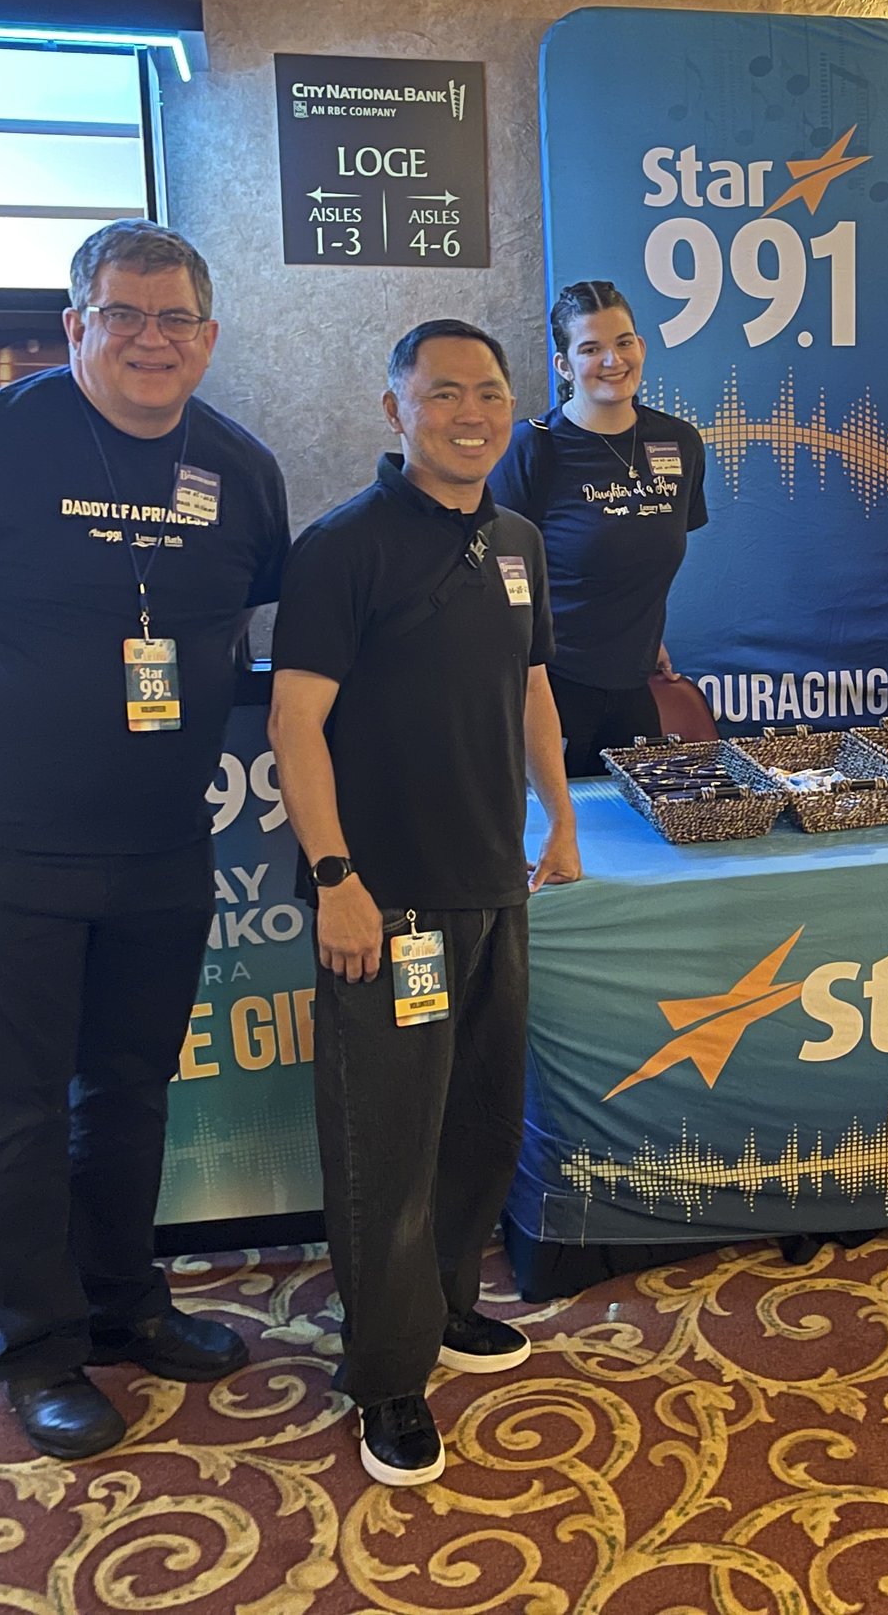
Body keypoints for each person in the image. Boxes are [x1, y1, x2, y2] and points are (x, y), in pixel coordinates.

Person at [0, 220, 290, 1460]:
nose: (150, 338)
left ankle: (125, 1302)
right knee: (20, 1102)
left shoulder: (239, 469)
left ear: (208, 336)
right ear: (75, 326)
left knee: (131, 1088)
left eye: (174, 317)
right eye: (122, 314)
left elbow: (237, 628)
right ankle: (38, 1348)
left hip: (159, 838)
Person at [267, 318, 582, 1492]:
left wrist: (558, 820)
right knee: (385, 1147)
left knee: (479, 1123)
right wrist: (335, 881)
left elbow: (532, 687)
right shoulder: (340, 548)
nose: (470, 413)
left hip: (493, 883)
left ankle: (446, 1304)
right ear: (395, 410)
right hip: (387, 905)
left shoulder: (516, 541)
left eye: (488, 393)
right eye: (442, 393)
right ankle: (387, 1375)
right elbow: (295, 723)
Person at [490, 280, 708, 775]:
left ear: (641, 347)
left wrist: (644, 636)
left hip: (634, 683)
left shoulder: (678, 442)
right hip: (550, 685)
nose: (613, 360)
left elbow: (638, 556)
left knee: (636, 819)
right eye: (591, 349)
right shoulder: (532, 449)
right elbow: (499, 576)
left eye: (623, 342)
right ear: (564, 365)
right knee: (552, 820)